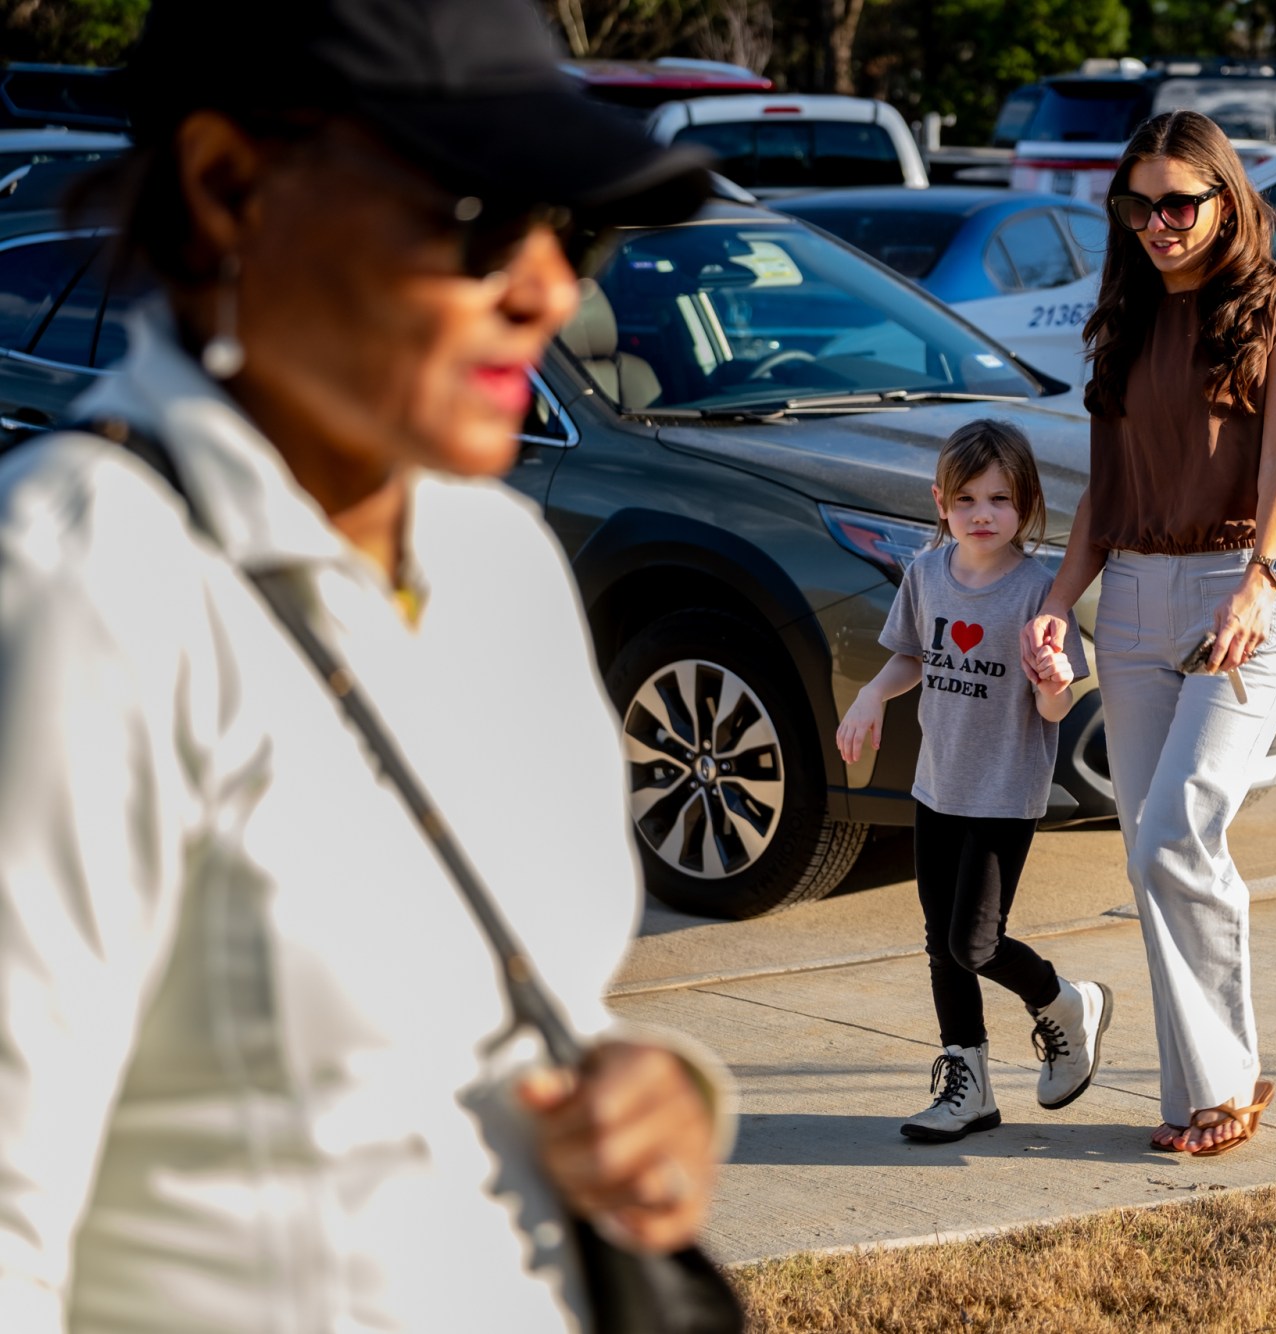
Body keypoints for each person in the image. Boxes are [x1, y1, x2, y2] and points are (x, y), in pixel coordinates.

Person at [0, 1, 736, 1329]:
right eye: (473, 218)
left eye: (568, 226)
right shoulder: (81, 579)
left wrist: (654, 1101)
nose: (549, 289)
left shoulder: (499, 558)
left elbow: (477, 1026)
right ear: (231, 189)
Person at [1022, 111, 1276, 1157]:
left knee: (1173, 834)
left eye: (1177, 203)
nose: (1157, 224)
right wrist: (1057, 601)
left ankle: (1226, 1083)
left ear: (1223, 199)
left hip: (1238, 593)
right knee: (1148, 855)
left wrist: (1258, 581)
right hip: (1136, 605)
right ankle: (1208, 1082)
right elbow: (1102, 500)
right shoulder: (1122, 321)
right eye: (1136, 205)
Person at [837, 420, 1112, 1144]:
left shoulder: (1038, 593)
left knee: (975, 944)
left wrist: (1053, 681)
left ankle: (1066, 1001)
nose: (982, 514)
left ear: (1026, 503)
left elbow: (1056, 704)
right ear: (939, 502)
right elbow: (911, 656)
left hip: (1003, 793)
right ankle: (970, 1088)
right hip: (938, 787)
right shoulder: (927, 575)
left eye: (999, 499)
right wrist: (870, 695)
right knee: (941, 943)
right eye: (965, 500)